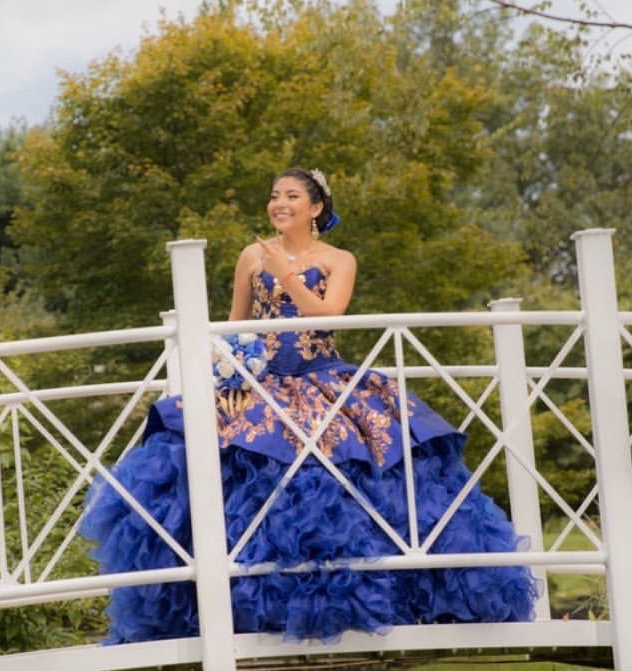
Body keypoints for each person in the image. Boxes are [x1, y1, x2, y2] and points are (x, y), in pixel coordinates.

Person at [80, 167, 540, 644]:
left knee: (358, 469)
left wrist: (287, 277)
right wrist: (230, 371)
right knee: (202, 457)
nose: (279, 203)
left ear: (316, 207)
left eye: (292, 196)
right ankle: (229, 605)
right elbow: (234, 327)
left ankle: (383, 598)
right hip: (260, 385)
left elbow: (330, 313)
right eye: (275, 195)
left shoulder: (340, 259)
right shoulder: (250, 257)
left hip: (321, 379)